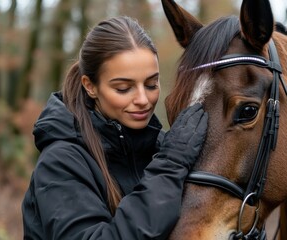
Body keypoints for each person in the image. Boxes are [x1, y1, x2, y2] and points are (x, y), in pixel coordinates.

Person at [21, 16, 208, 240]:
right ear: (90, 86)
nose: (143, 99)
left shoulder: (164, 149)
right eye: (123, 88)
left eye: (151, 84)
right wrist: (171, 165)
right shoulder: (60, 162)